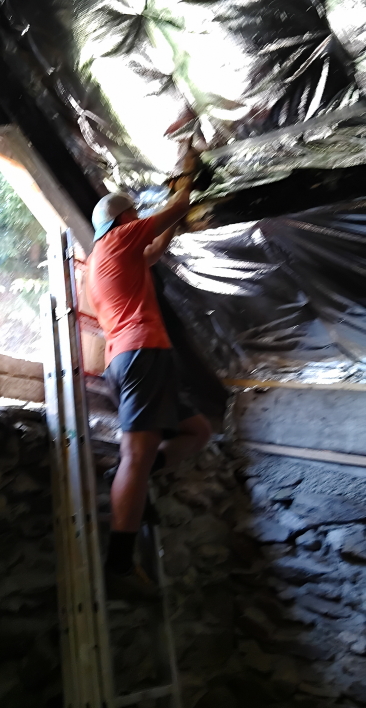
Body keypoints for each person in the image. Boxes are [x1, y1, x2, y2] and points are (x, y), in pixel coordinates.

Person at [87, 154, 211, 599]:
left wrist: (171, 221)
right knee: (136, 457)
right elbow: (177, 208)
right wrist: (185, 179)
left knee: (197, 431)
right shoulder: (119, 238)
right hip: (142, 353)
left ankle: (130, 477)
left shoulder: (107, 257)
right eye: (135, 213)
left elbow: (155, 249)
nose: (138, 217)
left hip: (129, 359)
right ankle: (119, 564)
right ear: (122, 218)